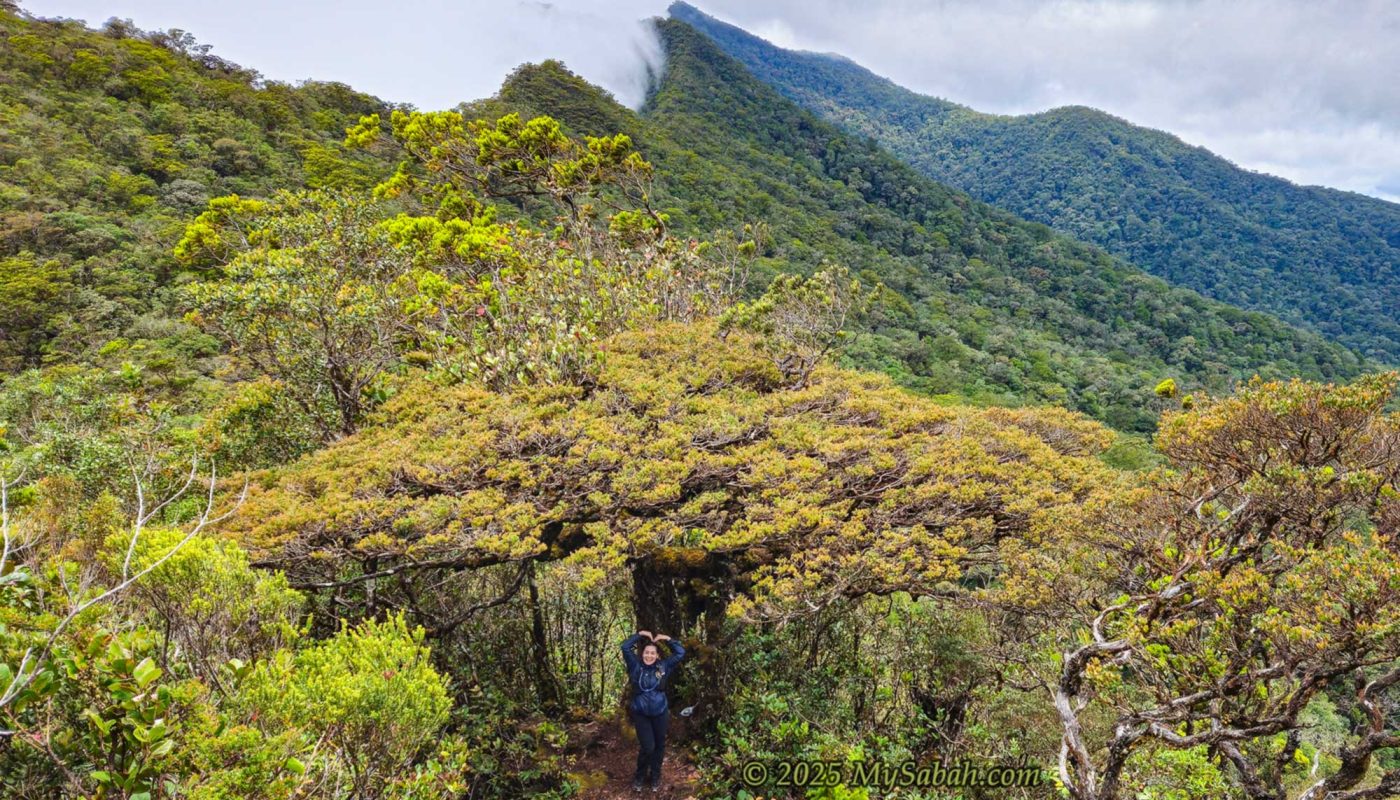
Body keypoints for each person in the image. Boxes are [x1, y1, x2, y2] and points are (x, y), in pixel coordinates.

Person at [621, 629, 685, 792]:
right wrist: (640, 635)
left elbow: (680, 652)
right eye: (646, 653)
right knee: (648, 747)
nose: (649, 655)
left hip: (660, 712)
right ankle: (640, 776)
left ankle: (656, 776)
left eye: (652, 653)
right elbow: (625, 647)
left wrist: (667, 638)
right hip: (641, 713)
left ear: (657, 655)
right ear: (642, 654)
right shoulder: (635, 665)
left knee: (659, 746)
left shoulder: (663, 666)